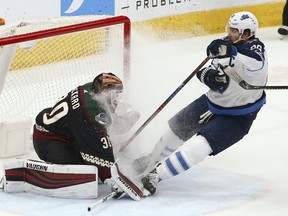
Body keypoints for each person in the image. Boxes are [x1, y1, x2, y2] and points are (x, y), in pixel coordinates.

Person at [140, 11, 268, 195]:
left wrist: (230, 51)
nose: (229, 33)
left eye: (234, 30)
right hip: (211, 103)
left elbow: (255, 64)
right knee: (176, 127)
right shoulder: (228, 44)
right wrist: (206, 75)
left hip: (238, 116)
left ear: (246, 34)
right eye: (229, 29)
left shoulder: (255, 49)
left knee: (201, 144)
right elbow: (210, 69)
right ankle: (151, 159)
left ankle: (156, 175)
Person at [33, 72, 140, 196]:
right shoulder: (91, 111)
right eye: (114, 94)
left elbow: (104, 125)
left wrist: (126, 122)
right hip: (49, 142)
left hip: (56, 132)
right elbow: (95, 146)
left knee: (106, 148)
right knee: (89, 167)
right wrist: (110, 178)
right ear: (105, 93)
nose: (116, 99)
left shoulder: (91, 89)